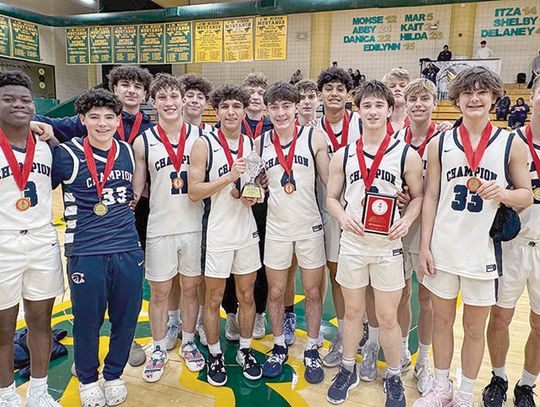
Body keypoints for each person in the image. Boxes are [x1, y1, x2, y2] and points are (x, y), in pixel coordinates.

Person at [413, 66, 532, 406]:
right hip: (443, 247)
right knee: (441, 322)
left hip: (483, 251)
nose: (474, 98)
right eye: (467, 93)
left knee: (475, 328)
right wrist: (424, 247)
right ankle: (441, 386)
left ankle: (465, 391)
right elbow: (432, 196)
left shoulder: (511, 143)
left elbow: (526, 195)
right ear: (457, 99)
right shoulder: (440, 142)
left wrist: (504, 194)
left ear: (495, 97)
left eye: (482, 92)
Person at [325, 80, 423, 405]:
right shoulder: (343, 155)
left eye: (379, 105)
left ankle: (393, 376)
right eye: (366, 105)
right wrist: (342, 217)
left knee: (388, 317)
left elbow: (419, 197)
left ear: (389, 110)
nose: (372, 111)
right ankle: (347, 369)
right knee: (353, 314)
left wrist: (407, 220)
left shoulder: (406, 155)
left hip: (387, 247)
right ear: (359, 111)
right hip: (353, 244)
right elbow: (331, 199)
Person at [52, 88, 145, 407]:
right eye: (94, 117)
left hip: (127, 249)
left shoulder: (128, 152)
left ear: (118, 120)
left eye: (109, 117)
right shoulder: (66, 153)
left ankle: (115, 373)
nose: (102, 123)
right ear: (82, 119)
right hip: (86, 251)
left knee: (126, 316)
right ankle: (89, 379)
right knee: (87, 319)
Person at [131, 74, 205, 383]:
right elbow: (137, 189)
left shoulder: (202, 136)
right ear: (153, 102)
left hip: (193, 226)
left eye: (174, 96)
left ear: (183, 99)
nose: (170, 102)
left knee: (190, 289)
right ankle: (159, 347)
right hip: (159, 226)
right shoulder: (143, 141)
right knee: (160, 292)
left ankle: (188, 341)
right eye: (162, 97)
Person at [188, 84, 262, 386]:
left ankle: (245, 349)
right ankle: (216, 354)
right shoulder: (204, 144)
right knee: (214, 298)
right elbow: (194, 192)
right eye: (225, 107)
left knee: (246, 295)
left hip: (245, 230)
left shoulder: (251, 144)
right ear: (216, 111)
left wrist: (254, 196)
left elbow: (255, 186)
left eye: (236, 106)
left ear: (244, 110)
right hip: (217, 231)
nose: (231, 112)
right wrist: (228, 178)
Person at [258, 81, 330, 383]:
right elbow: (256, 181)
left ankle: (312, 346)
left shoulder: (314, 136)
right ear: (267, 110)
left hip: (309, 225)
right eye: (274, 107)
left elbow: (329, 180)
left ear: (296, 106)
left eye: (286, 106)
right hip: (276, 227)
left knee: (313, 292)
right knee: (275, 291)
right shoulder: (260, 141)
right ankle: (278, 345)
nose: (280, 112)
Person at [0, 71, 64, 407]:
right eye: (8, 99)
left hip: (41, 241)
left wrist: (50, 135)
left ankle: (39, 393)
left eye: (25, 100)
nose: (18, 105)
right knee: (4, 328)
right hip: (3, 243)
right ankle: (7, 395)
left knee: (41, 323)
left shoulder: (46, 145)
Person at [482, 75, 540, 407]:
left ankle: (527, 385)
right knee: (500, 317)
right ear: (530, 96)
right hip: (513, 244)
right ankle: (498, 378)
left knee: (538, 322)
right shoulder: (509, 142)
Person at [393, 78, 440, 395]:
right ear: (406, 105)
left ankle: (425, 359)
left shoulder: (447, 139)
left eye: (425, 98)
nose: (419, 104)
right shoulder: (395, 139)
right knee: (401, 294)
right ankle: (404, 352)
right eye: (414, 99)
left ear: (434, 103)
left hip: (433, 229)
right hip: (401, 225)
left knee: (428, 299)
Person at [314, 67, 362, 368]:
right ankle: (345, 334)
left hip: (360, 209)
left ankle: (366, 333)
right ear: (321, 94)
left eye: (339, 88)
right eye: (328, 87)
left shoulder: (363, 122)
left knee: (364, 277)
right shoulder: (309, 128)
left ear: (349, 94)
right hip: (324, 208)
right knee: (336, 274)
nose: (334, 93)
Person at [162, 73, 214, 350]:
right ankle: (173, 321)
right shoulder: (156, 133)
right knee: (170, 275)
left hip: (200, 213)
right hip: (167, 214)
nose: (193, 100)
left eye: (199, 96)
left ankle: (202, 321)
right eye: (189, 95)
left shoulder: (209, 136)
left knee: (199, 273)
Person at [221, 73, 273, 342]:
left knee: (259, 262)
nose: (254, 95)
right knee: (230, 261)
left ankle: (260, 312)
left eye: (259, 91)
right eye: (249, 90)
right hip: (231, 204)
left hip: (260, 206)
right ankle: (231, 312)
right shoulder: (227, 132)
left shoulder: (271, 129)